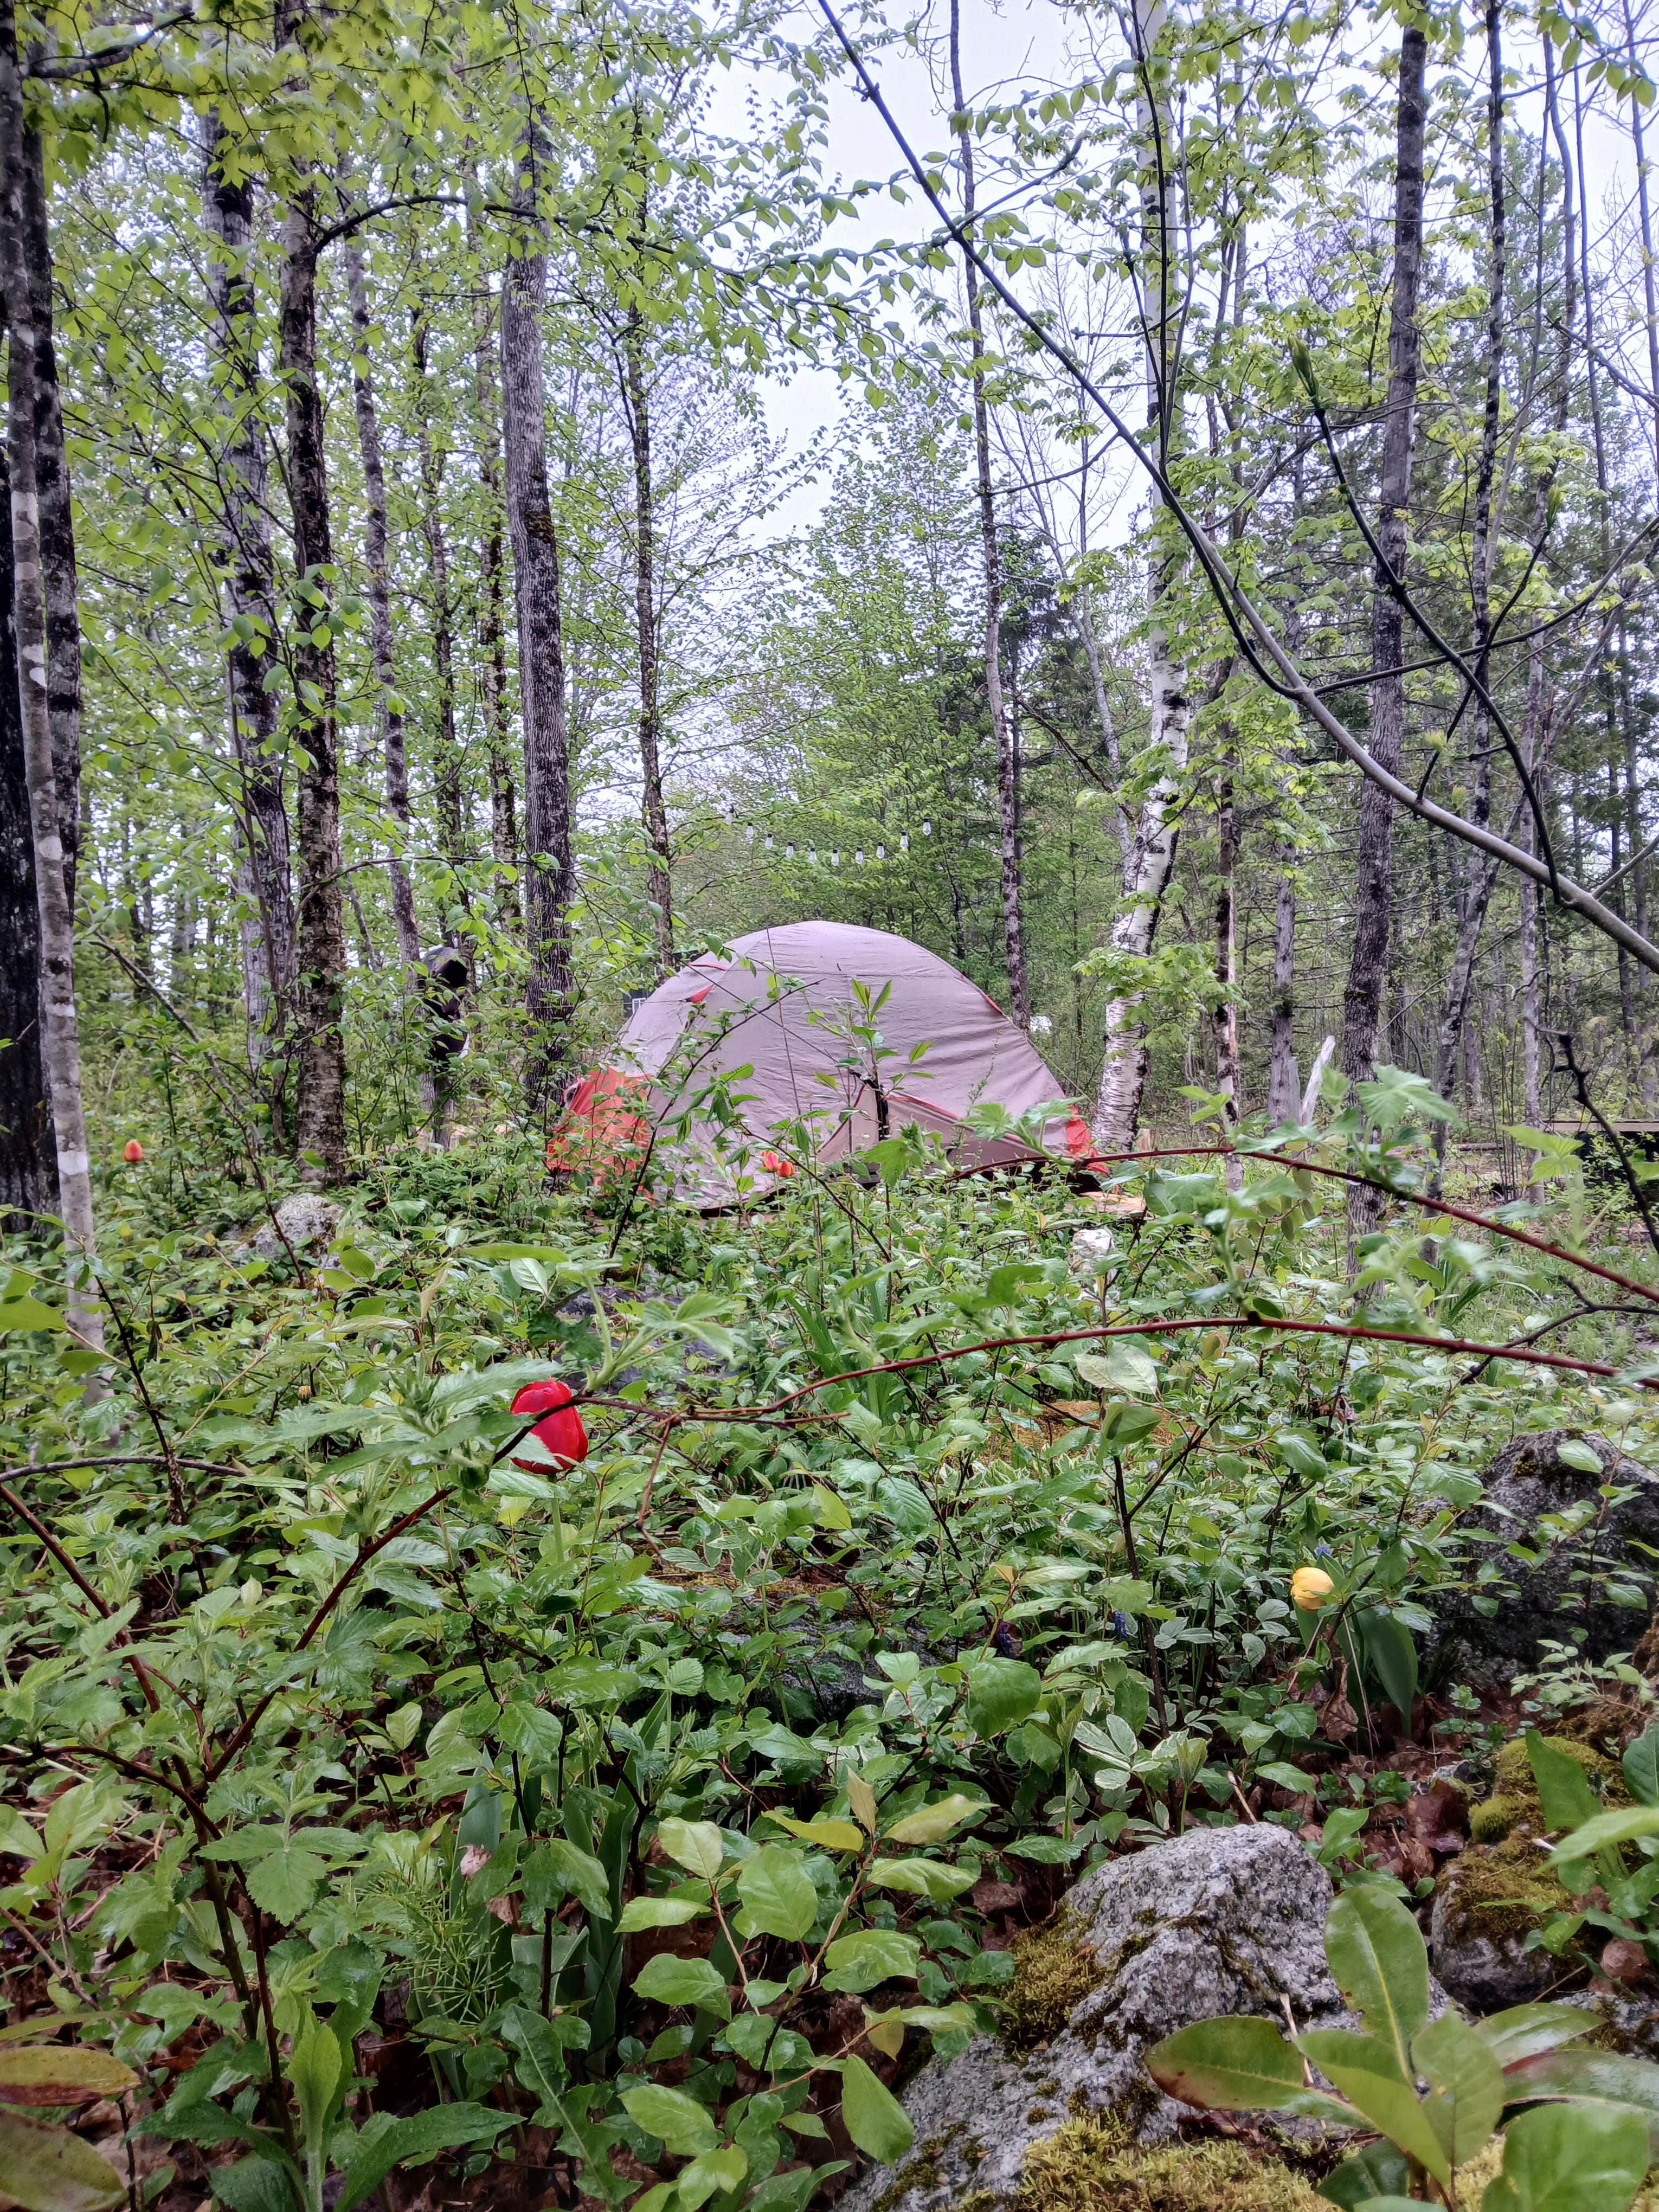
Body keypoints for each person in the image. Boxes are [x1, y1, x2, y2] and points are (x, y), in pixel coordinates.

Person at [419, 944, 470, 1148]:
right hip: (441, 1042)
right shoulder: (436, 1003)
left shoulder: (452, 1007)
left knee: (443, 1102)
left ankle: (441, 1148)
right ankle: (434, 1147)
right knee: (434, 1104)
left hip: (449, 1043)